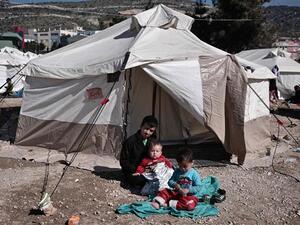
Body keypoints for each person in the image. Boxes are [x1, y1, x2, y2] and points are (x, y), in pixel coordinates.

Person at [120, 115, 158, 188]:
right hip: (133, 171)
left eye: (151, 131)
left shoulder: (152, 141)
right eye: (146, 129)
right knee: (139, 180)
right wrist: (135, 170)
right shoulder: (130, 141)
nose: (147, 132)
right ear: (141, 126)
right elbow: (123, 161)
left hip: (148, 170)